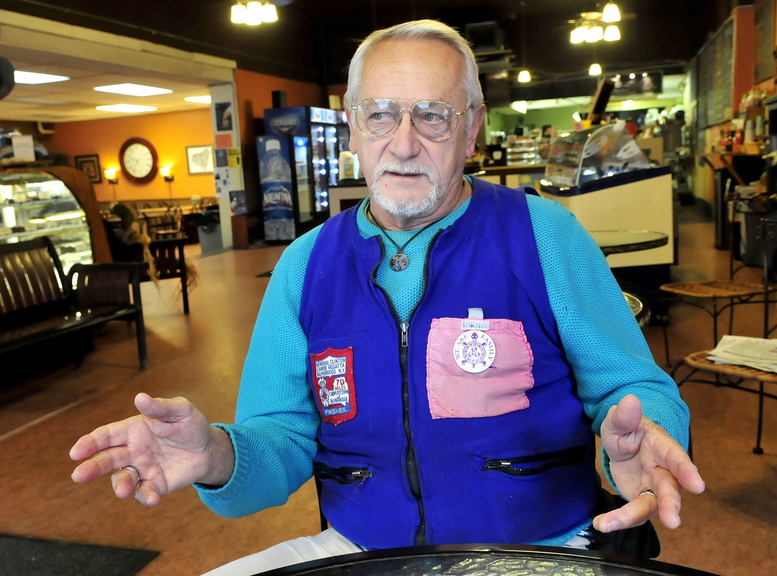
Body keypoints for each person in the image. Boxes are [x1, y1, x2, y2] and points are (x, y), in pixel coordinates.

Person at [70, 19, 705, 576]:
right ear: (352, 127)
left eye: (433, 115)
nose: (403, 144)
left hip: (541, 550)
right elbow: (281, 440)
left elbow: (632, 388)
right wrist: (213, 453)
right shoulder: (304, 266)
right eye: (380, 114)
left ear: (473, 128)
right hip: (364, 552)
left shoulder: (544, 235)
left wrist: (645, 433)